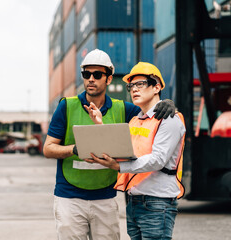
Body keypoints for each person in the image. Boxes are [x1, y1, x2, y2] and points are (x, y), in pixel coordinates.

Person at [43, 49, 176, 240]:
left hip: (105, 198)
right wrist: (74, 149)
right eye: (86, 74)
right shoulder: (67, 106)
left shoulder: (124, 109)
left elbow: (151, 113)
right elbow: (48, 149)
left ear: (109, 79)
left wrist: (168, 104)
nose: (90, 79)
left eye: (97, 75)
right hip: (69, 197)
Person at [85, 62, 186, 240]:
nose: (134, 90)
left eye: (140, 84)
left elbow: (158, 160)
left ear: (157, 87)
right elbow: (122, 149)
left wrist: (119, 166)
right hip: (135, 201)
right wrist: (99, 125)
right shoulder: (135, 121)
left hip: (157, 202)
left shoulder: (169, 119)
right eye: (131, 86)